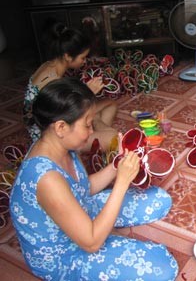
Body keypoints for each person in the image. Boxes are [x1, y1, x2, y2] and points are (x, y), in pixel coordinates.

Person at [10, 77, 178, 280]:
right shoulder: (46, 179)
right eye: (88, 125)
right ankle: (103, 233)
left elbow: (84, 187)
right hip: (65, 256)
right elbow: (91, 243)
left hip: (82, 209)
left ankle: (104, 227)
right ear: (61, 127)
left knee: (159, 199)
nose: (91, 132)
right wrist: (122, 183)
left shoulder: (62, 145)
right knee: (162, 268)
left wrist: (118, 164)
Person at [24, 22, 118, 151]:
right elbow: (64, 117)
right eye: (82, 58)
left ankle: (96, 129)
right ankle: (98, 132)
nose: (84, 62)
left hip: (60, 116)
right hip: (53, 135)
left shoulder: (48, 66)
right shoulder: (51, 81)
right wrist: (88, 92)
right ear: (68, 56)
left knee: (110, 104)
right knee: (113, 138)